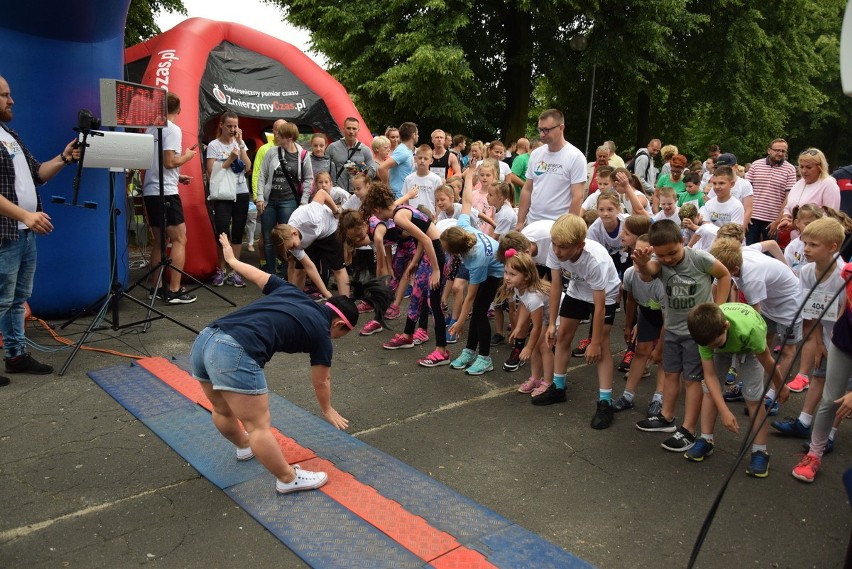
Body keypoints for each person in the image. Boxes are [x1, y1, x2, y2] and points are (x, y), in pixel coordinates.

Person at [190, 233, 389, 494]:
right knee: (258, 426)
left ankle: (243, 447)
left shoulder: (292, 292)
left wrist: (231, 260)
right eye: (342, 334)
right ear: (339, 324)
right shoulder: (322, 335)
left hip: (206, 338)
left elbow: (256, 275)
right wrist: (327, 409)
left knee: (222, 409)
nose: (337, 339)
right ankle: (287, 478)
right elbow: (321, 380)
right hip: (235, 349)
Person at [0, 74, 80, 384]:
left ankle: (16, 355)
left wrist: (64, 157)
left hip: (23, 232)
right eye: (5, 95)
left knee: (17, 298)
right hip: (6, 233)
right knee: (2, 299)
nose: (12, 100)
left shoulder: (10, 135)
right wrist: (26, 215)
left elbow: (38, 174)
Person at [633, 219, 732, 452]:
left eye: (672, 252)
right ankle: (667, 417)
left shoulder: (699, 259)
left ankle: (688, 429)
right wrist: (643, 263)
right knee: (670, 374)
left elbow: (724, 274)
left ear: (683, 241)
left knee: (692, 380)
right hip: (672, 329)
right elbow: (649, 274)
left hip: (696, 333)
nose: (668, 259)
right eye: (662, 255)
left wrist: (718, 308)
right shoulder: (659, 262)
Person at [539, 213, 622, 431]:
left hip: (604, 295)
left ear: (580, 245)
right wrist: (552, 323)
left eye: (563, 247)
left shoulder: (594, 260)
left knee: (602, 345)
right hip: (577, 289)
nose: (557, 251)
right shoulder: (556, 247)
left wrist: (593, 341)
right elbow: (556, 286)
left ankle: (605, 401)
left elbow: (600, 305)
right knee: (562, 336)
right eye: (555, 245)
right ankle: (558, 387)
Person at [685, 302, 784, 477]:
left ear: (726, 326)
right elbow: (710, 376)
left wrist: (780, 386)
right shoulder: (706, 338)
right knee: (710, 391)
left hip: (748, 346)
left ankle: (760, 451)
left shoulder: (751, 330)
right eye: (710, 346)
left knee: (753, 398)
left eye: (716, 343)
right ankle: (706, 439)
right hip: (724, 342)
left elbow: (767, 360)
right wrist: (724, 410)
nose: (713, 347)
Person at [792, 261, 852, 483]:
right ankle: (814, 455)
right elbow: (843, 309)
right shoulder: (847, 273)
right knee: (830, 400)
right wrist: (823, 341)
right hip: (844, 344)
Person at [441, 171, 505, 375]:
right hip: (488, 263)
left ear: (456, 251)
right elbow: (467, 200)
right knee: (477, 311)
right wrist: (468, 177)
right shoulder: (463, 226)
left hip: (497, 271)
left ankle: (485, 358)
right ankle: (469, 351)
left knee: (478, 312)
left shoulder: (475, 259)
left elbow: (469, 296)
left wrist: (459, 322)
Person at [142, 92, 198, 304]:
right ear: (179, 109)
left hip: (152, 190)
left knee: (160, 240)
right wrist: (187, 157)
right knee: (179, 239)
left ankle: (154, 288)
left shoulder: (151, 128)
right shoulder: (172, 129)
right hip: (165, 192)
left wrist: (177, 175)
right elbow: (168, 161)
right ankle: (174, 289)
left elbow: (157, 163)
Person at [615, 233, 665, 418]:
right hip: (646, 313)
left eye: (646, 255)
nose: (639, 258)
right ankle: (627, 396)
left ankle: (659, 399)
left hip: (668, 319)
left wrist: (659, 348)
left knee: (664, 358)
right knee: (641, 352)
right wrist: (628, 326)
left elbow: (667, 320)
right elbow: (630, 302)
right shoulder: (630, 274)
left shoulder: (662, 282)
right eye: (636, 252)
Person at [256, 121, 313, 275]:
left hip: (289, 200)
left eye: (279, 134)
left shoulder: (303, 155)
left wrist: (303, 201)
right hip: (270, 200)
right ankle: (270, 272)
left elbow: (308, 178)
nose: (275, 136)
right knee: (268, 238)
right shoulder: (272, 152)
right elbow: (262, 175)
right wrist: (260, 197)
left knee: (286, 237)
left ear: (288, 137)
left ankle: (286, 271)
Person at [515, 109, 587, 229]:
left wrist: (568, 228)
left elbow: (577, 196)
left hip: (558, 226)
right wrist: (520, 222)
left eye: (546, 130)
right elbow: (527, 189)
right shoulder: (536, 154)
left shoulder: (575, 157)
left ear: (561, 128)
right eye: (540, 130)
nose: (542, 134)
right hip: (532, 223)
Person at [206, 110, 251, 287]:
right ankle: (221, 269)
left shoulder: (240, 143)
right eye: (229, 126)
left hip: (240, 191)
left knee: (238, 230)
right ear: (222, 125)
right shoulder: (214, 145)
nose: (233, 129)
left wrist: (240, 145)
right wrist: (229, 159)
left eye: (235, 126)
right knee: (223, 231)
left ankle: (235, 270)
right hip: (223, 192)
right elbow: (211, 173)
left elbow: (248, 167)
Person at [499, 249, 553, 396]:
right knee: (537, 346)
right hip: (545, 318)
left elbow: (536, 326)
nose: (507, 278)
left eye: (512, 274)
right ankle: (535, 379)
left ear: (526, 276)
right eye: (506, 272)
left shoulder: (534, 297)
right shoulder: (519, 287)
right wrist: (519, 327)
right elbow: (523, 305)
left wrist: (528, 347)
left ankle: (548, 382)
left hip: (556, 317)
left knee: (543, 347)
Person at [744, 138, 797, 244]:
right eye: (777, 150)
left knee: (769, 254)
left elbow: (789, 197)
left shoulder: (790, 169)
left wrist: (778, 221)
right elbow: (746, 191)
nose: (780, 153)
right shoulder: (756, 165)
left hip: (772, 220)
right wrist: (745, 215)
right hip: (752, 217)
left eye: (783, 151)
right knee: (748, 251)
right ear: (769, 150)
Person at [778, 148, 841, 234]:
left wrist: (797, 225)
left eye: (809, 167)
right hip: (796, 240)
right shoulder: (798, 184)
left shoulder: (828, 184)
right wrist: (785, 218)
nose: (804, 171)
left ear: (820, 167)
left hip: (817, 239)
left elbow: (831, 217)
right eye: (801, 166)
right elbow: (788, 207)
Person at [326, 117, 376, 194]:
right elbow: (324, 169)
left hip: (357, 193)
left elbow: (372, 171)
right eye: (348, 128)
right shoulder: (332, 147)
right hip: (337, 192)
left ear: (358, 130)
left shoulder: (365, 150)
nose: (351, 131)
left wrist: (357, 170)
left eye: (354, 128)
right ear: (343, 129)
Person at [378, 122, 417, 199]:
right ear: (413, 135)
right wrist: (386, 189)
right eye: (417, 133)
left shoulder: (407, 150)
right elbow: (382, 167)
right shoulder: (402, 151)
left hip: (404, 196)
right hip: (398, 196)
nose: (418, 136)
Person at [403, 144, 442, 216]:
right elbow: (405, 201)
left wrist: (437, 217)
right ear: (415, 159)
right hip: (412, 217)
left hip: (430, 217)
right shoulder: (408, 179)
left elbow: (439, 201)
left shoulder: (436, 179)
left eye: (426, 158)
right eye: (420, 158)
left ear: (431, 161)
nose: (422, 161)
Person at [505, 137, 530, 204]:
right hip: (517, 198)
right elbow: (512, 176)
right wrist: (526, 186)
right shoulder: (519, 159)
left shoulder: (513, 157)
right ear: (526, 146)